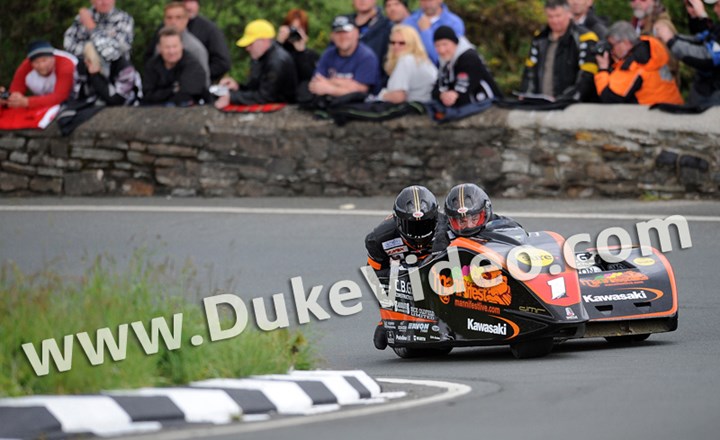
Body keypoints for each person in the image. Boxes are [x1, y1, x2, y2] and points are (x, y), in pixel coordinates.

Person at [520, 0, 599, 102]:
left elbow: (587, 76)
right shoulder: (540, 38)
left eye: (558, 16)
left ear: (569, 14)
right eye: (550, 16)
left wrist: (566, 98)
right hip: (541, 102)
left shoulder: (585, 37)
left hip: (571, 105)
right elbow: (529, 71)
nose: (554, 21)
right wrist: (526, 94)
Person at [594, 21, 684, 105]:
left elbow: (609, 98)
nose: (611, 50)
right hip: (672, 108)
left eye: (611, 45)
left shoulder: (635, 64)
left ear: (625, 43)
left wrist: (603, 69)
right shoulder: (650, 48)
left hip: (654, 116)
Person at [213, 19, 298, 108]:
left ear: (264, 41)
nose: (247, 48)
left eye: (250, 44)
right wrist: (237, 87)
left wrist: (231, 97)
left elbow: (266, 96)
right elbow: (255, 88)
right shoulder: (260, 57)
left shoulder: (277, 61)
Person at [653, 0, 720, 106]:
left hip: (713, 99)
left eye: (718, 5)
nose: (715, 9)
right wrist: (700, 17)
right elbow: (701, 39)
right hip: (704, 91)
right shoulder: (717, 28)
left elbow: (708, 56)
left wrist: (671, 41)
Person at [309, 15, 380, 98]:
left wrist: (330, 88)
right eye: (338, 32)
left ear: (356, 33)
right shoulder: (328, 54)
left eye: (346, 32)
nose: (342, 36)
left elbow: (361, 91)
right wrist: (347, 84)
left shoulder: (367, 57)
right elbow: (316, 82)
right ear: (332, 36)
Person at [431, 26, 502, 107]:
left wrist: (453, 95)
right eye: (437, 46)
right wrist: (442, 95)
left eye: (445, 44)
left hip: (488, 104)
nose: (441, 50)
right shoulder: (444, 61)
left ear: (455, 43)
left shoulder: (469, 57)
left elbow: (463, 87)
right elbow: (437, 88)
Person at [145, 2, 210, 86]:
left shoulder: (196, 49)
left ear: (186, 19)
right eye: (169, 18)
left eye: (178, 17)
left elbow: (204, 81)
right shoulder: (158, 41)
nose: (173, 22)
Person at [142, 27, 209, 106]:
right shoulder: (152, 65)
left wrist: (162, 93)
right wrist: (173, 90)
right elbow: (148, 95)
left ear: (182, 45)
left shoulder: (193, 66)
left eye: (174, 46)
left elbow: (187, 95)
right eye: (167, 47)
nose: (171, 51)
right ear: (159, 48)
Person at [1, 41, 77, 110]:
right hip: (45, 101)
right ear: (30, 63)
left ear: (53, 58)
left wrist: (27, 102)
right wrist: (7, 99)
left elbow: (61, 96)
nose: (41, 65)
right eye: (36, 62)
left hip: (74, 98)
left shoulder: (66, 65)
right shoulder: (25, 67)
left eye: (44, 60)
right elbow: (15, 92)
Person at [63, 0, 134, 70]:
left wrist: (92, 28)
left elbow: (111, 54)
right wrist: (88, 52)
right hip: (85, 70)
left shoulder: (124, 19)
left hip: (116, 73)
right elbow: (68, 44)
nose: (104, 1)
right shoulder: (82, 17)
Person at [378, 24, 437, 103]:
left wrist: (382, 95)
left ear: (412, 44)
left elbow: (398, 97)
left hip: (418, 111)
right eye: (393, 42)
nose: (396, 46)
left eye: (401, 43)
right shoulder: (418, 59)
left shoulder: (407, 60)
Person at [403, 0, 465, 65]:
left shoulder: (454, 22)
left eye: (430, 0)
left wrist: (425, 32)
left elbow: (443, 58)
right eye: (423, 0)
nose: (427, 4)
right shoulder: (409, 22)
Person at [183, 0, 231, 82]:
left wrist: (199, 76)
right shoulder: (165, 28)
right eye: (184, 2)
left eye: (192, 2)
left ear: (198, 4)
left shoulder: (209, 29)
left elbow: (223, 63)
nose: (188, 7)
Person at [276, 9, 320, 85]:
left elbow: (310, 79)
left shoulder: (311, 55)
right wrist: (278, 43)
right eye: (292, 28)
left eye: (299, 29)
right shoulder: (276, 51)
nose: (294, 32)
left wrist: (301, 52)